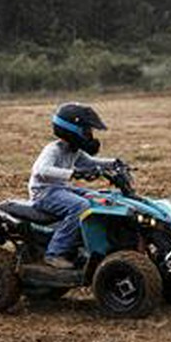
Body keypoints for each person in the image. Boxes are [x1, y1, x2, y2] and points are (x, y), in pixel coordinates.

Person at [28, 102, 119, 269]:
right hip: (43, 192)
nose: (90, 135)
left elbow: (90, 163)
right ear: (72, 130)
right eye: (87, 131)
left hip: (60, 189)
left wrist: (114, 163)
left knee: (97, 198)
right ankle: (55, 253)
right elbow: (40, 170)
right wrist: (73, 173)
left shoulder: (74, 150)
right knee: (80, 206)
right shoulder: (53, 149)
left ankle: (85, 244)